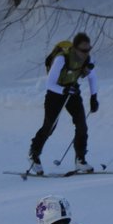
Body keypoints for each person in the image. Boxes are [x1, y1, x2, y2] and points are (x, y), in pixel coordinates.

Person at [27, 32, 100, 175]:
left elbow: (92, 78)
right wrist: (64, 90)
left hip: (72, 92)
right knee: (50, 126)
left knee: (82, 125)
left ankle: (80, 159)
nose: (86, 53)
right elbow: (49, 83)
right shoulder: (62, 59)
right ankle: (33, 154)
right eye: (83, 50)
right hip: (55, 93)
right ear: (75, 48)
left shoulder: (88, 59)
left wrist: (94, 97)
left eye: (88, 49)